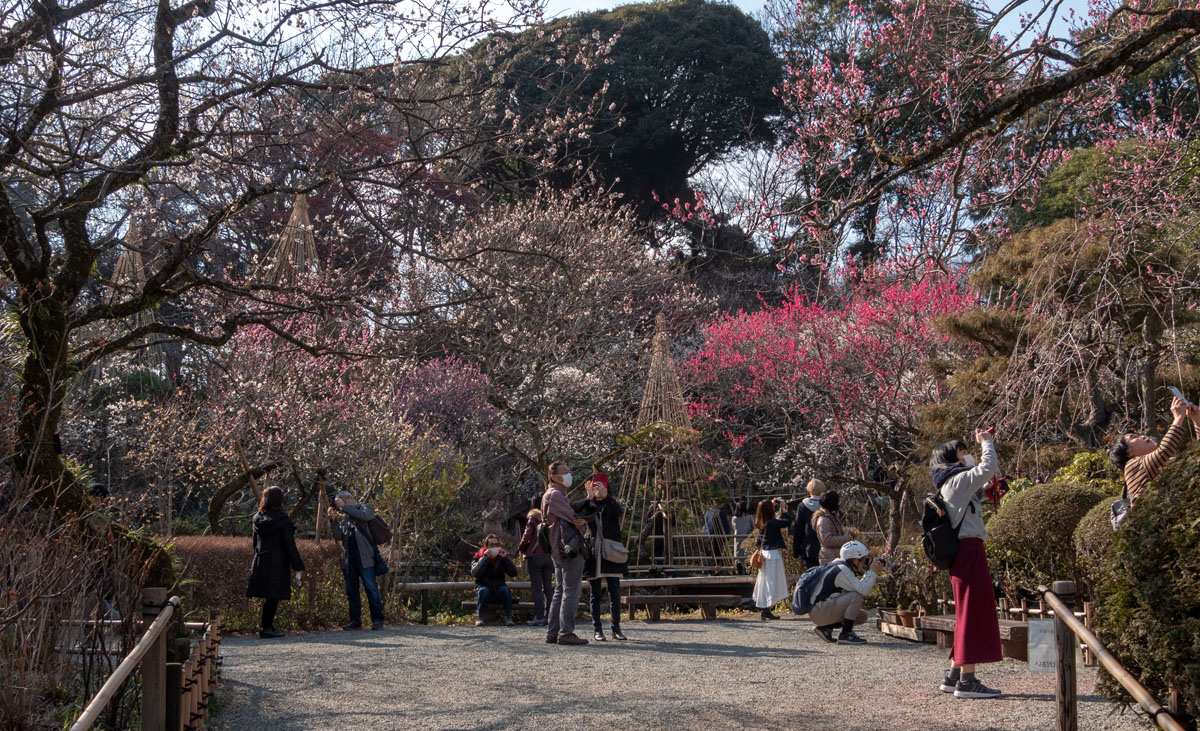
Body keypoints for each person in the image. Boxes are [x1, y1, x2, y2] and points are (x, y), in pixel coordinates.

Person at [931, 430, 1002, 699]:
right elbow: (988, 467)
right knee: (973, 611)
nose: (966, 454)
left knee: (966, 612)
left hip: (963, 551)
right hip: (969, 549)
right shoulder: (957, 480)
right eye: (962, 452)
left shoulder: (952, 484)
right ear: (951, 458)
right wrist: (987, 443)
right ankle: (967, 681)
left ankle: (954, 675)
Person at [1108, 397, 1200, 506]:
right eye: (1134, 437)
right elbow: (1164, 450)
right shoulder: (1131, 467)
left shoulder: (1167, 463)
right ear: (1128, 452)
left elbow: (1196, 457)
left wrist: (1197, 421)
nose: (1141, 436)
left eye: (1139, 434)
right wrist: (1178, 418)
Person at [572, 472, 629, 642]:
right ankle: (597, 629)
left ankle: (616, 628)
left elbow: (619, 512)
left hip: (610, 550)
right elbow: (576, 512)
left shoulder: (611, 504)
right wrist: (589, 499)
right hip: (593, 551)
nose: (597, 489)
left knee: (614, 591)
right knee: (594, 593)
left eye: (600, 486)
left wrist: (606, 496)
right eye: (594, 486)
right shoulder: (588, 504)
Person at [541, 460, 590, 646]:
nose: (569, 473)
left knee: (560, 591)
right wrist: (585, 517)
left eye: (569, 469)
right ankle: (566, 632)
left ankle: (553, 632)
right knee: (571, 591)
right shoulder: (556, 495)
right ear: (554, 476)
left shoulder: (549, 494)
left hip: (555, 548)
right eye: (564, 471)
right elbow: (574, 517)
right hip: (567, 548)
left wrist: (586, 498)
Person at [246, 486, 305, 639]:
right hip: (277, 561)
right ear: (280, 500)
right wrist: (298, 565)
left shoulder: (257, 518)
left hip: (261, 559)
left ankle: (267, 626)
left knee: (269, 595)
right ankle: (267, 626)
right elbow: (289, 544)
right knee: (273, 595)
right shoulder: (281, 519)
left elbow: (255, 542)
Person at [328, 490, 385, 630]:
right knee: (351, 592)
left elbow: (365, 516)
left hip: (366, 559)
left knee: (371, 589)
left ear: (348, 498)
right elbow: (338, 537)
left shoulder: (367, 508)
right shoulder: (346, 519)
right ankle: (355, 621)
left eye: (340, 501)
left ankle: (377, 620)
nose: (339, 504)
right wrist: (333, 520)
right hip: (349, 561)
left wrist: (344, 507)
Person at [809, 540, 881, 645]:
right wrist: (872, 571)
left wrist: (869, 572)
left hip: (819, 609)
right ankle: (846, 634)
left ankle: (825, 628)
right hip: (819, 611)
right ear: (855, 560)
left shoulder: (839, 565)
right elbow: (862, 590)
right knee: (855, 597)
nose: (865, 562)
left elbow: (857, 587)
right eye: (864, 559)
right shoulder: (842, 570)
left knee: (861, 616)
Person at [751, 498, 791, 620]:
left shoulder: (760, 520)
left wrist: (771, 505)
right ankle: (766, 608)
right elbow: (787, 522)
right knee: (772, 583)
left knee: (764, 582)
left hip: (764, 554)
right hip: (772, 555)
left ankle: (765, 609)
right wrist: (784, 510)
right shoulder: (772, 523)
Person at [471, 534, 518, 626]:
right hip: (484, 587)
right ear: (487, 546)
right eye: (492, 545)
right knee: (483, 591)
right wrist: (485, 558)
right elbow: (475, 573)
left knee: (505, 590)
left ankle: (508, 617)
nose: (495, 547)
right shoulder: (478, 557)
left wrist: (506, 559)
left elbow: (513, 573)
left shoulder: (502, 558)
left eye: (496, 545)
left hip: (498, 588)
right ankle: (479, 617)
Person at [517, 508, 553, 626]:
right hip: (548, 557)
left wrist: (522, 549)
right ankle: (550, 616)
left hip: (535, 556)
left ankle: (539, 616)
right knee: (548, 587)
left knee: (537, 588)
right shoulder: (548, 522)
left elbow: (526, 537)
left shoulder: (532, 521)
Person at [792, 479, 825, 569]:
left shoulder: (803, 506)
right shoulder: (826, 504)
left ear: (809, 490)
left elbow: (798, 529)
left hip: (809, 548)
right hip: (826, 547)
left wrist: (797, 551)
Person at [812, 490, 851, 565]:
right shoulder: (824, 520)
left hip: (834, 555)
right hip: (829, 557)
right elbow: (827, 540)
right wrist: (845, 538)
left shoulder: (831, 516)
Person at [703, 499, 730, 565]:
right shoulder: (720, 512)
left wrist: (705, 534)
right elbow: (725, 525)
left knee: (711, 553)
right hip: (719, 536)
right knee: (718, 553)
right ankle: (716, 567)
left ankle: (711, 568)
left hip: (709, 535)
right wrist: (727, 536)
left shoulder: (707, 512)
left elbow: (706, 524)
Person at [731, 501, 754, 572]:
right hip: (747, 539)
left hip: (738, 539)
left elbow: (734, 527)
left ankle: (739, 572)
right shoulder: (749, 517)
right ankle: (748, 572)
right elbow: (753, 527)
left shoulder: (734, 518)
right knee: (747, 556)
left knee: (738, 557)